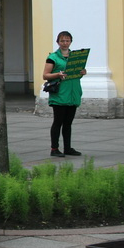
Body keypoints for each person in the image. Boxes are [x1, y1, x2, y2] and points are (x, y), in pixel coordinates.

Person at [43, 30, 86, 158]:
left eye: (67, 40)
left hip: (73, 93)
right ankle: (54, 148)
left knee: (68, 123)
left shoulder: (75, 56)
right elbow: (45, 75)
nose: (65, 43)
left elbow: (76, 74)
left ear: (70, 42)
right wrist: (58, 74)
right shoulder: (53, 57)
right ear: (58, 42)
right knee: (58, 122)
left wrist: (82, 72)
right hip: (60, 94)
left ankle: (67, 148)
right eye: (62, 41)